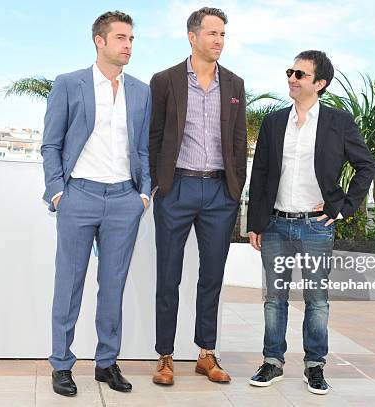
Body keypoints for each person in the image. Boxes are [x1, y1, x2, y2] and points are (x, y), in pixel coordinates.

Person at [246, 50, 375, 394]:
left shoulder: (339, 122)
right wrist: (255, 222)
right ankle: (272, 362)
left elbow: (366, 166)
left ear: (319, 84)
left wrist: (343, 208)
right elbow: (259, 176)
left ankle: (314, 366)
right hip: (275, 225)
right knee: (275, 298)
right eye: (291, 71)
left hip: (317, 226)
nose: (292, 78)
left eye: (300, 74)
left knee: (316, 299)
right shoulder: (274, 122)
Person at [41, 10, 151, 396]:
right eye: (121, 38)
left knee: (113, 285)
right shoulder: (69, 84)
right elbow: (51, 143)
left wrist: (143, 193)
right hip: (79, 196)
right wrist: (57, 191)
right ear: (99, 41)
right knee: (68, 283)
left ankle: (106, 363)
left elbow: (142, 148)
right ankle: (61, 364)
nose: (128, 45)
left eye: (132, 39)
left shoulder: (140, 90)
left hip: (124, 199)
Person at [149, 6, 247, 386]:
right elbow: (154, 136)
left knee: (212, 277)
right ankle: (165, 356)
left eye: (223, 34)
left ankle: (206, 353)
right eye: (212, 33)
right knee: (168, 275)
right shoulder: (166, 80)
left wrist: (234, 190)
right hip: (177, 189)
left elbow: (239, 141)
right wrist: (158, 185)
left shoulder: (235, 84)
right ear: (193, 37)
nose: (219, 40)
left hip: (220, 192)